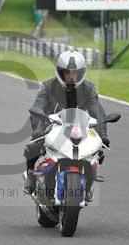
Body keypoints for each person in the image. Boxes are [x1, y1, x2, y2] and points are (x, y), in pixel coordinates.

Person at [23, 51, 109, 199]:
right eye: (67, 73)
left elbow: (98, 111)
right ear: (59, 72)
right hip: (52, 124)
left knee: (98, 150)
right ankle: (31, 175)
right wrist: (39, 126)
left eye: (75, 73)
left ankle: (88, 183)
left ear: (81, 73)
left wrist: (103, 134)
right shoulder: (48, 86)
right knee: (33, 144)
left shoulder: (88, 88)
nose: (71, 77)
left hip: (80, 127)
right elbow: (38, 106)